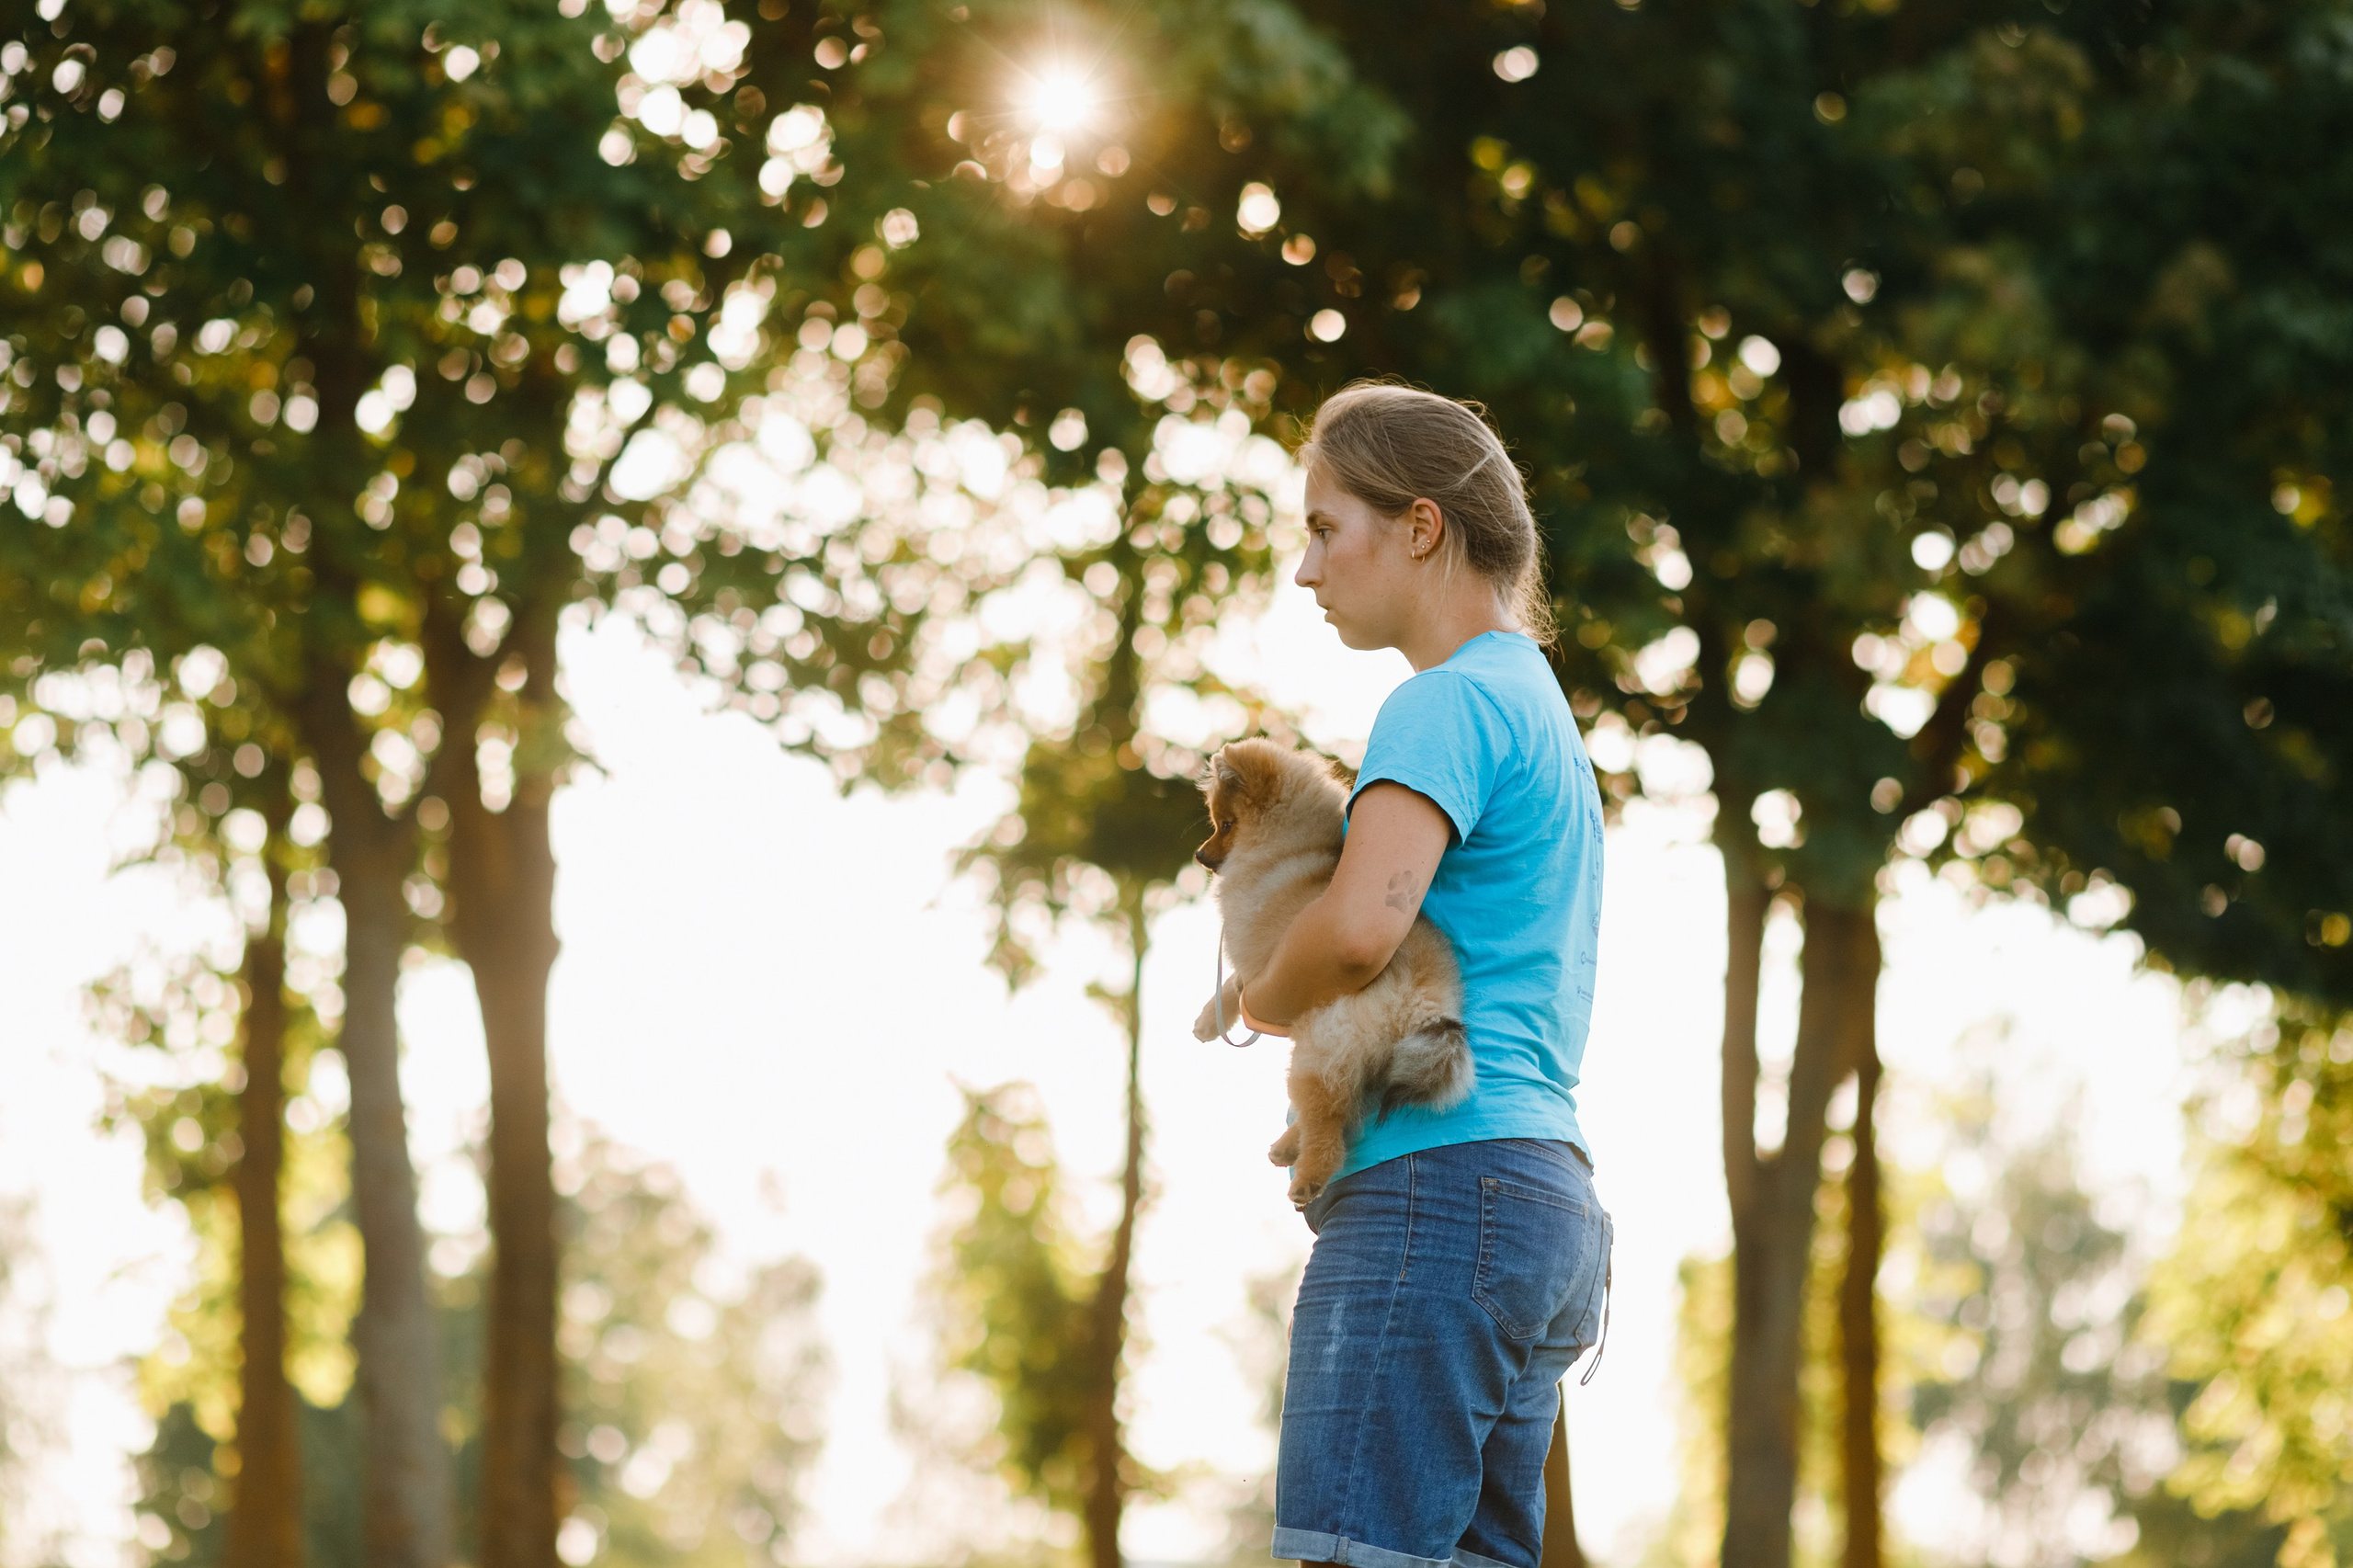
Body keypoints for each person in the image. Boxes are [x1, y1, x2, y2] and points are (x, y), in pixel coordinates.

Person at [1228, 382, 1611, 1568]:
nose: (1306, 569)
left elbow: (1359, 932)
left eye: (1324, 527)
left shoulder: (1440, 707)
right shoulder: (1538, 708)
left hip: (1437, 1198)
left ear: (1422, 526)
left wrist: (1257, 998)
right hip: (1545, 1202)